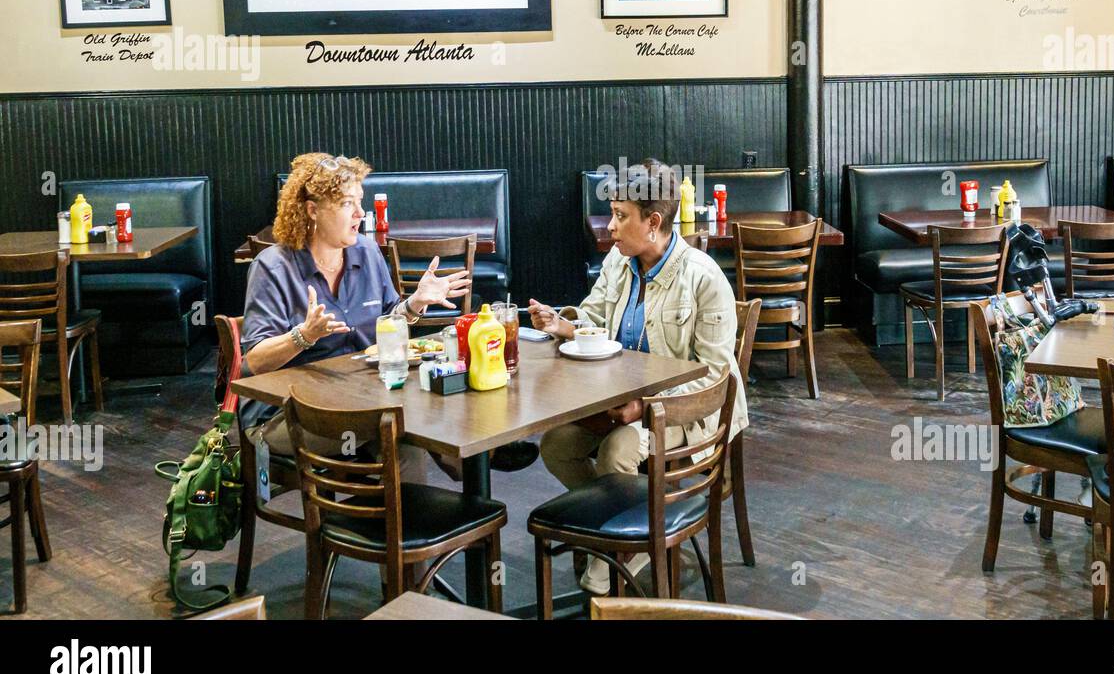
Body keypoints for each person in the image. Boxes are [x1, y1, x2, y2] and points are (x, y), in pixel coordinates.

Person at [241, 152, 535, 479]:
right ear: (312, 209)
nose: (359, 213)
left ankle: (406, 520)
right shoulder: (272, 267)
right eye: (346, 204)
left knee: (407, 445)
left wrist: (414, 305)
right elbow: (255, 361)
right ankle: (470, 454)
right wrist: (304, 336)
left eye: (360, 202)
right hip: (285, 414)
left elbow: (388, 321)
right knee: (403, 420)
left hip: (359, 398)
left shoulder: (366, 252)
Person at [528, 159, 744, 594]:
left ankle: (613, 560)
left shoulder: (703, 277)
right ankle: (624, 531)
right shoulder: (618, 261)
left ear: (654, 222)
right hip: (618, 402)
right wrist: (564, 323)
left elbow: (717, 378)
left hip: (684, 414)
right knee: (555, 447)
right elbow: (593, 315)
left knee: (616, 453)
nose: (610, 226)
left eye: (621, 216)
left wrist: (645, 409)